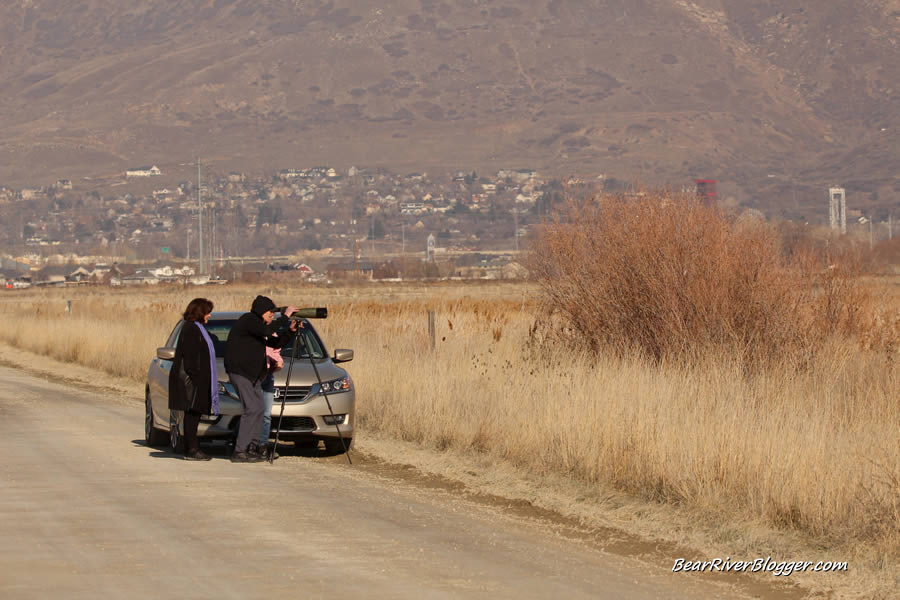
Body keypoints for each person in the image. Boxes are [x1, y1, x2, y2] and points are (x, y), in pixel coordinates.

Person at [225, 295, 296, 463]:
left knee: (258, 409)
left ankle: (252, 447)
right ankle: (240, 450)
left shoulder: (259, 327)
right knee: (251, 409)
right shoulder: (249, 320)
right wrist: (285, 317)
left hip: (254, 375)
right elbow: (265, 332)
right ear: (261, 311)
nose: (273, 314)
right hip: (240, 372)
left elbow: (275, 342)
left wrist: (290, 332)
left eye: (274, 312)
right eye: (270, 311)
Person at [168, 297, 219, 461]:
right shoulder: (191, 329)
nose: (209, 316)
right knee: (192, 416)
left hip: (197, 381)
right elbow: (190, 358)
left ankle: (191, 447)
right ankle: (192, 449)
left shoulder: (196, 328)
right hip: (192, 382)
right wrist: (197, 378)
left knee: (193, 416)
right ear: (199, 312)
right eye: (207, 312)